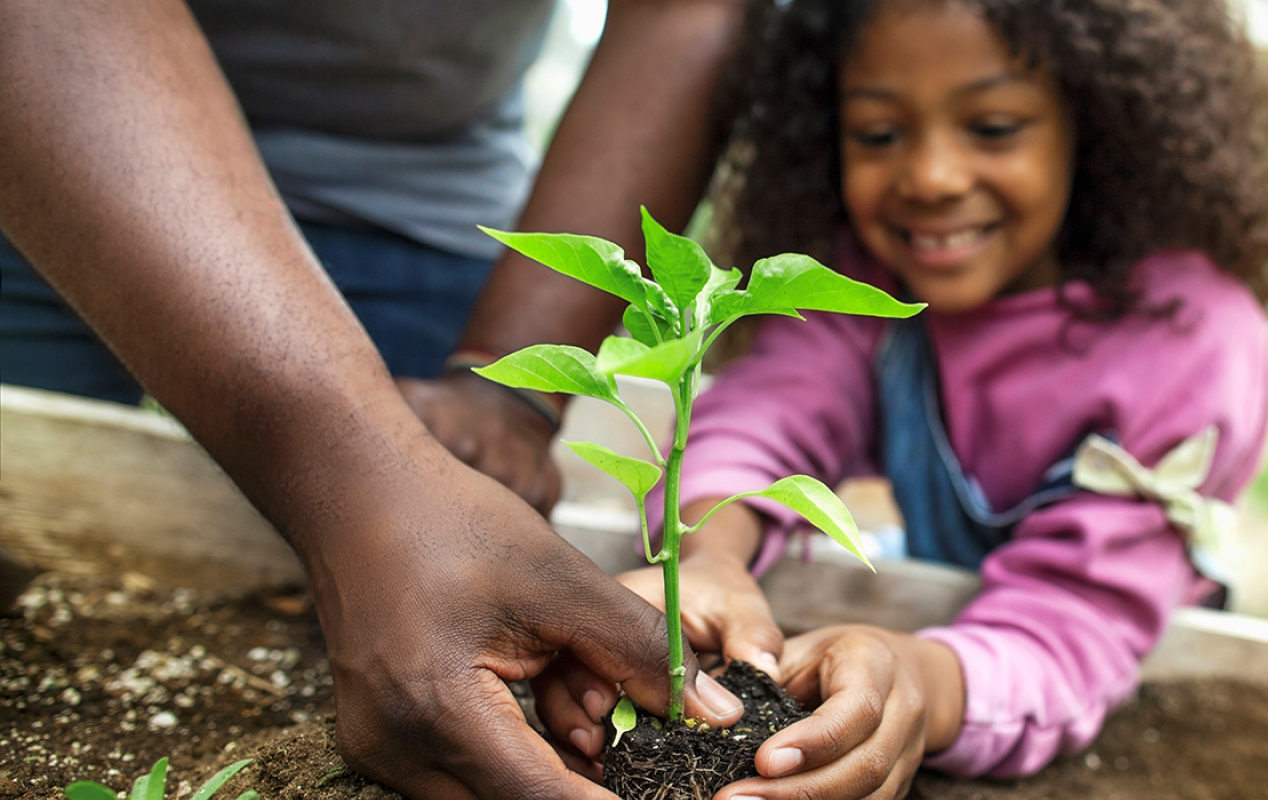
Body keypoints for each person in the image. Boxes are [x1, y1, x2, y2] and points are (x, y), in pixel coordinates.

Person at [535, 0, 1268, 796]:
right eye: (878, 134)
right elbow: (769, 414)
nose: (932, 177)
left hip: (1104, 644)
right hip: (959, 613)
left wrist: (921, 681)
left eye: (995, 126)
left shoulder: (1188, 334)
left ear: (1099, 121)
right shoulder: (870, 283)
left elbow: (1077, 620)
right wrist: (707, 559)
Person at [0, 1, 758, 797]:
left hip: (416, 206)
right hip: (57, 132)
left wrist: (507, 394)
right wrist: (353, 468)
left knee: (442, 586)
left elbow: (690, 13)